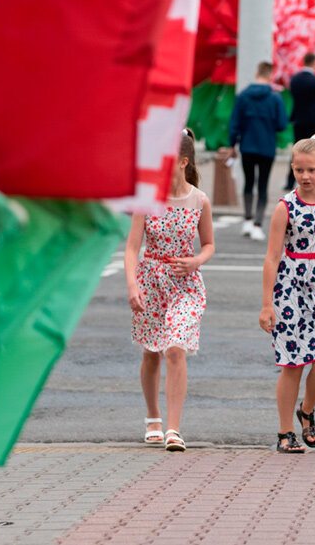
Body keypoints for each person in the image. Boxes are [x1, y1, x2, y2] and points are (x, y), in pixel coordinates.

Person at [124, 129, 215, 452]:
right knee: (152, 352)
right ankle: (153, 418)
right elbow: (132, 248)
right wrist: (133, 285)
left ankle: (173, 429)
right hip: (150, 281)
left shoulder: (199, 200)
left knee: (175, 347)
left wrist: (196, 261)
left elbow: (209, 244)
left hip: (185, 285)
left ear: (182, 162)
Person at [259, 136, 315, 454]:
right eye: (299, 170)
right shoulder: (285, 207)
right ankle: (285, 432)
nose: (305, 176)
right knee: (293, 363)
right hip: (289, 289)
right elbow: (272, 257)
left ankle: (307, 410)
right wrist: (267, 304)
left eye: (311, 169)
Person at [229, 61, 288, 240]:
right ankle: (258, 224)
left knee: (248, 182)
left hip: (247, 145)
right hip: (266, 146)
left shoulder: (243, 96)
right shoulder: (275, 98)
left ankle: (247, 219)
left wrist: (232, 145)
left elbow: (234, 123)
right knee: (263, 184)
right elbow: (282, 124)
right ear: (270, 75)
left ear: (256, 74)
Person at [286, 53, 315, 190]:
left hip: (299, 119)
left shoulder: (295, 80)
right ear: (314, 62)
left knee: (297, 151)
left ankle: (290, 181)